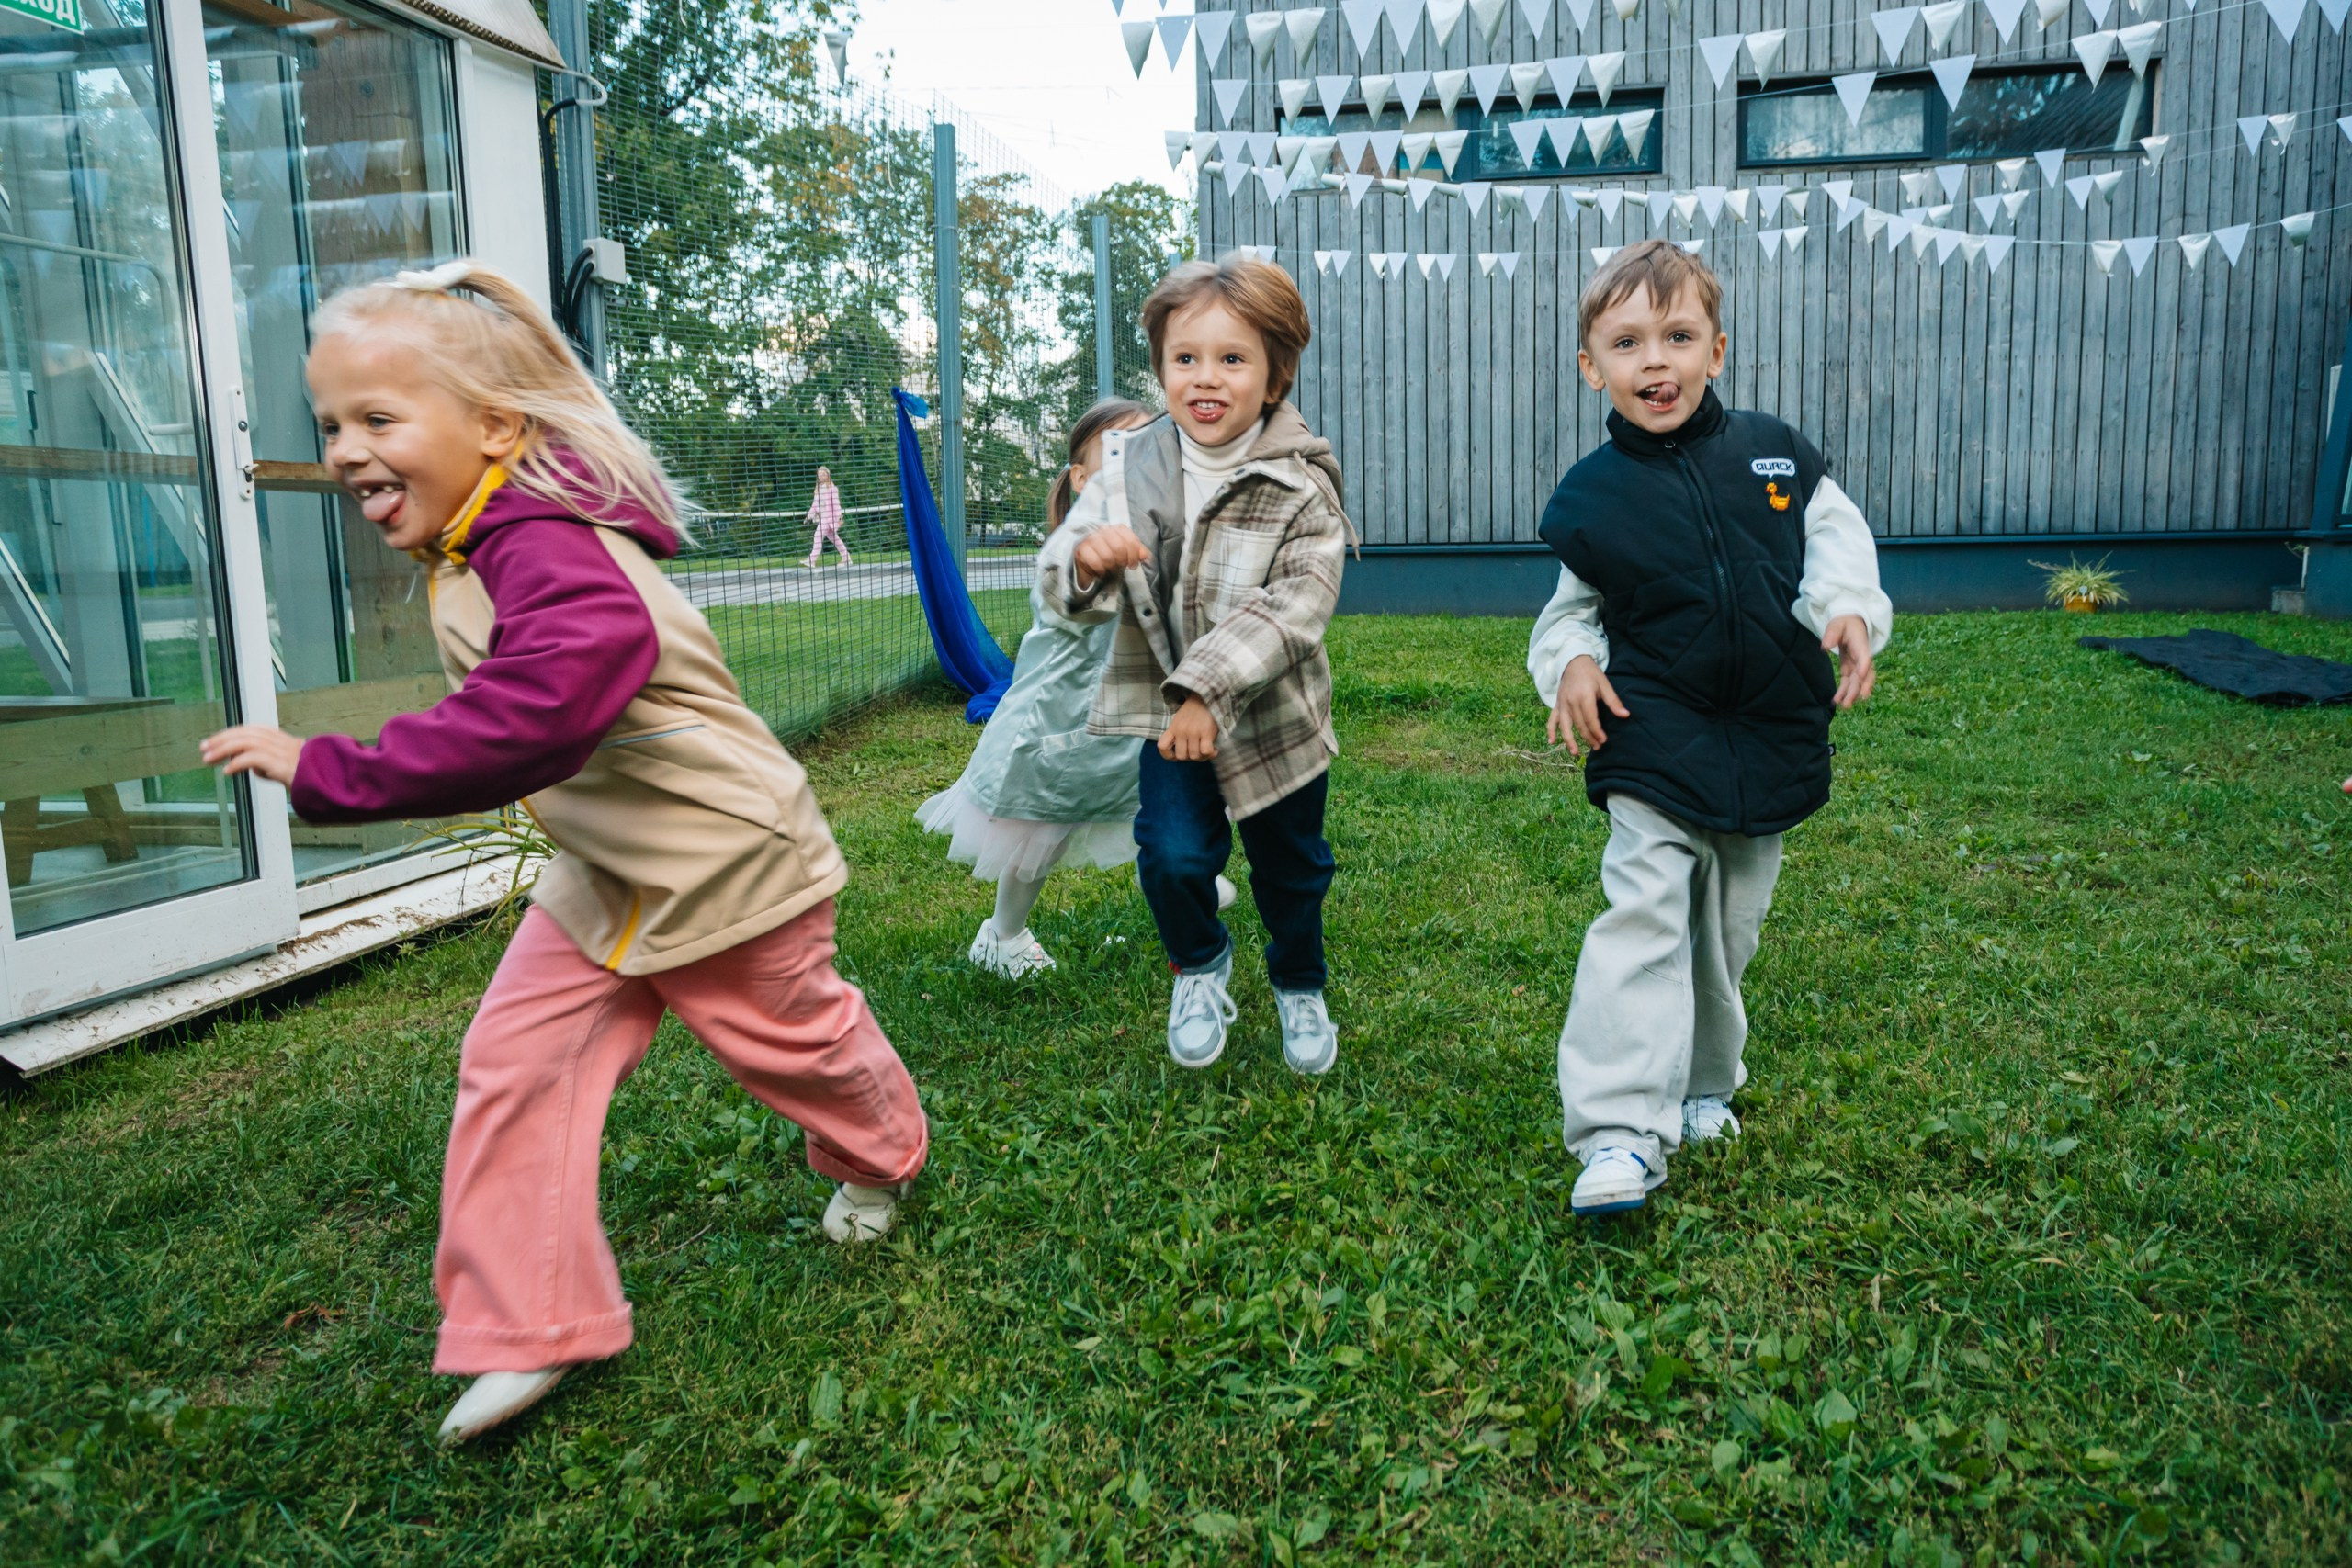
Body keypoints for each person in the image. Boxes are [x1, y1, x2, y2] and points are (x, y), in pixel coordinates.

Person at [199, 260, 928, 1444]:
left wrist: (332, 768)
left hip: (729, 868)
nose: (343, 450)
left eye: (379, 419)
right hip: (608, 874)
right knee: (513, 1062)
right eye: (330, 423)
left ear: (493, 429)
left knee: (793, 1051)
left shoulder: (548, 551)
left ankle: (884, 1151)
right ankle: (528, 1325)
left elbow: (534, 717)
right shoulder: (482, 539)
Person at [1528, 240, 1891, 1217]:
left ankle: (1699, 1086)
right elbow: (1569, 612)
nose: (1656, 361)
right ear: (1590, 367)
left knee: (1724, 932)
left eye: (1678, 336)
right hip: (1651, 729)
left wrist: (1846, 613)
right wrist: (1570, 664)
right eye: (1627, 342)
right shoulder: (1594, 498)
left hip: (1770, 723)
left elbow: (1836, 547)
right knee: (1643, 916)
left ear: (1716, 351)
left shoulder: (1777, 456)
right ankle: (1615, 1134)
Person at [1036, 254, 1351, 1076]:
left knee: (1293, 868)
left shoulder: (1300, 482)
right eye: (1186, 358)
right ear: (1162, 368)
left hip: (1275, 720)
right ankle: (1202, 965)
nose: (1205, 378)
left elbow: (1297, 606)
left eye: (1232, 358)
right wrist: (1082, 560)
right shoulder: (1127, 468)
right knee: (1174, 857)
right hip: (1167, 721)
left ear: (1275, 376)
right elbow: (1062, 580)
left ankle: (1299, 980)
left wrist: (1208, 690)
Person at [916, 398, 1236, 976]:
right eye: (1122, 454)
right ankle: (1003, 934)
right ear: (1085, 478)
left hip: (1123, 722)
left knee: (1152, 803)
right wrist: (1089, 566)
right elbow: (1061, 589)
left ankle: (1187, 882)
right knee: (1038, 832)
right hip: (1056, 724)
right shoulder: (1077, 540)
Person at [805, 464, 849, 567]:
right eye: (819, 475)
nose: (821, 476)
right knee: (834, 539)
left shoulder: (832, 489)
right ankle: (846, 557)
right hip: (823, 517)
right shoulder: (818, 489)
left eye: (823, 474)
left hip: (829, 518)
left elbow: (836, 504)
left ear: (827, 476)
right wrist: (809, 516)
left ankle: (811, 560)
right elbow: (815, 505)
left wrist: (839, 517)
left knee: (817, 536)